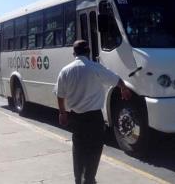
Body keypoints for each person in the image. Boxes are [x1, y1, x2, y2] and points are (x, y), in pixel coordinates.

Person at [54, 40, 131, 184]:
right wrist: (124, 89)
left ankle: (78, 179)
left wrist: (62, 113)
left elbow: (60, 94)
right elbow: (117, 79)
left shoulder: (65, 71)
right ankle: (89, 179)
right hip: (94, 118)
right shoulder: (95, 68)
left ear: (74, 53)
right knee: (94, 149)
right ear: (88, 52)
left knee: (78, 149)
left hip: (76, 118)